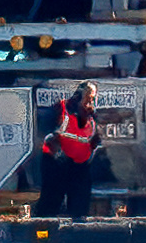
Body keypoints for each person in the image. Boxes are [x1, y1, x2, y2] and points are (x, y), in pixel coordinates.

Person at [35, 82, 104, 219]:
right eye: (89, 97)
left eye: (93, 98)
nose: (91, 101)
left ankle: (77, 232)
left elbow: (92, 140)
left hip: (79, 167)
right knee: (50, 204)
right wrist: (56, 149)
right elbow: (42, 132)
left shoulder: (91, 118)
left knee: (80, 206)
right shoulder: (61, 109)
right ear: (79, 96)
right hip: (57, 164)